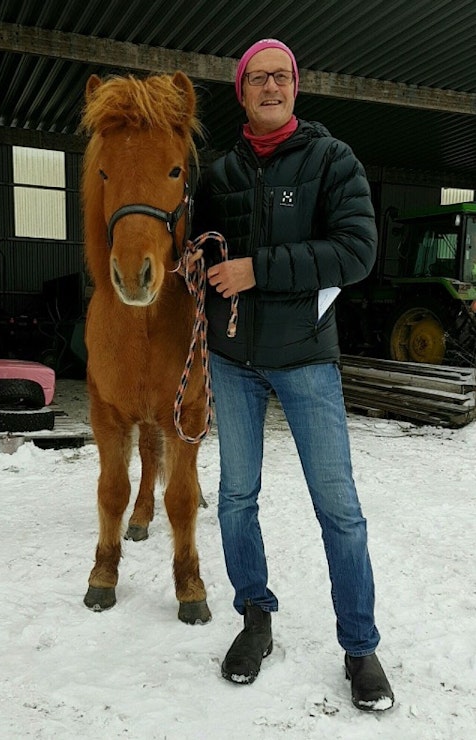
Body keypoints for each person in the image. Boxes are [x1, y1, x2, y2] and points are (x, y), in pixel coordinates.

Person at [191, 39, 394, 711]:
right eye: (258, 78)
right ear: (242, 91)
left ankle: (360, 648)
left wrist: (257, 268)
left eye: (281, 77)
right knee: (236, 499)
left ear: (295, 88)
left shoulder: (332, 160)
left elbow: (357, 250)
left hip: (307, 358)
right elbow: (199, 248)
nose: (271, 86)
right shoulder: (218, 173)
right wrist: (193, 265)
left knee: (339, 509)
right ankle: (255, 617)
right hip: (235, 361)